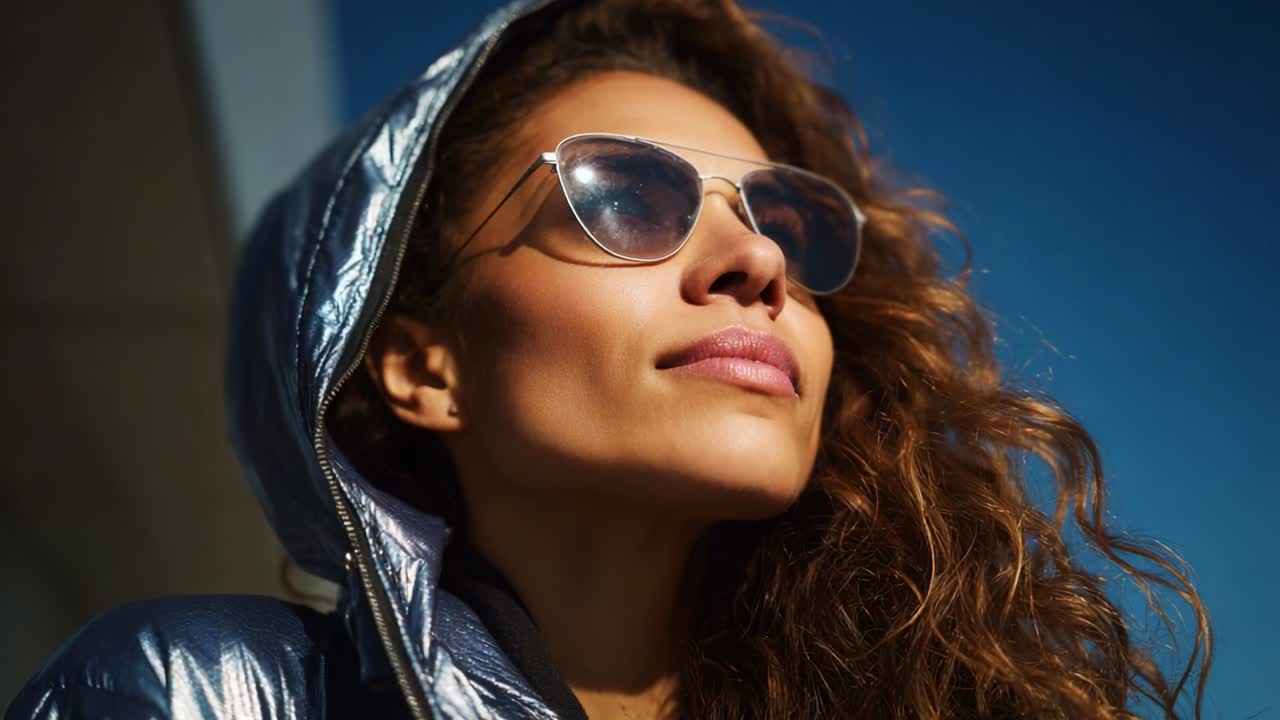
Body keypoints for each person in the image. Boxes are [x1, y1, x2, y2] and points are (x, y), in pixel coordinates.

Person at [7, 0, 1213, 718]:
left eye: (783, 221)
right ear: (421, 366)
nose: (754, 262)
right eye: (624, 199)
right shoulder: (191, 694)